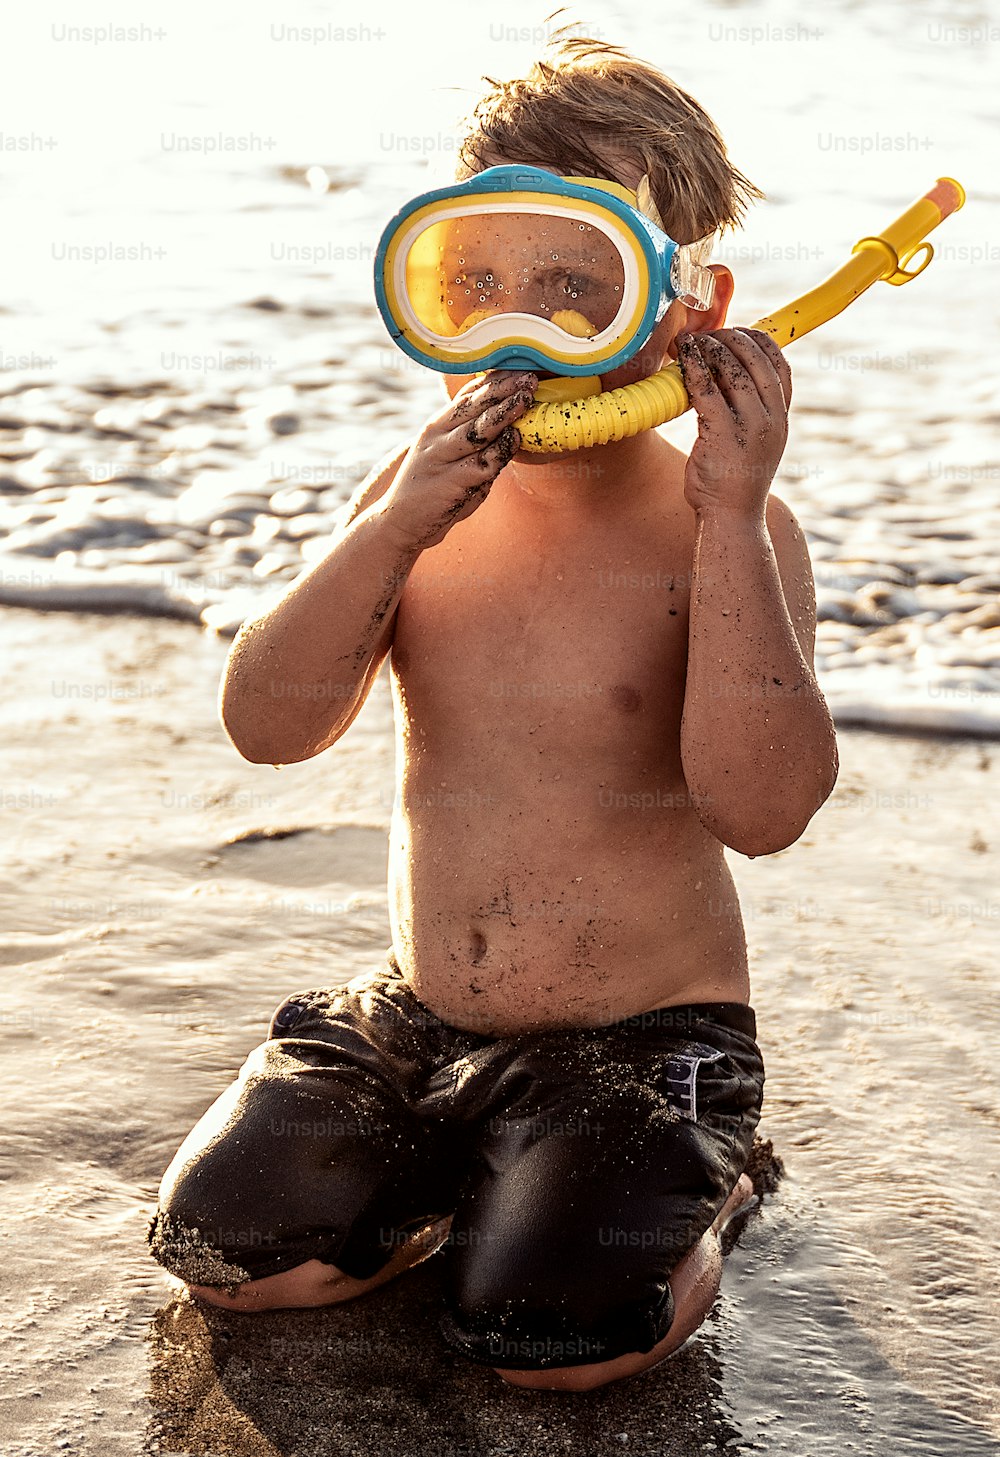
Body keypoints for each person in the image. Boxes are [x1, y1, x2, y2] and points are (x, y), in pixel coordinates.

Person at [147, 34, 838, 1392]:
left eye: (579, 287)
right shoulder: (412, 503)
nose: (519, 328)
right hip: (417, 1017)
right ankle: (480, 1170)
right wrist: (387, 534)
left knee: (551, 1348)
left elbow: (761, 812)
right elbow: (269, 726)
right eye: (477, 283)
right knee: (230, 1257)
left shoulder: (726, 532)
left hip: (646, 1044)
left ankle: (711, 1187)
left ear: (688, 305)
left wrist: (731, 520)